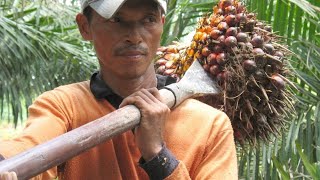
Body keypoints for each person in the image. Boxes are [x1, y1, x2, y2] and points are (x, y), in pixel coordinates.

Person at [0, 0, 238, 179]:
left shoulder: (212, 125)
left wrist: (158, 155)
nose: (134, 37)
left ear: (161, 24)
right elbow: (27, 148)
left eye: (148, 20)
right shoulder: (64, 106)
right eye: (116, 20)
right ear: (85, 27)